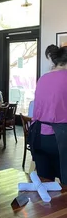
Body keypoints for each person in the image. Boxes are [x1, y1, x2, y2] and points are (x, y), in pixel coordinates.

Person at [29, 45, 67, 183]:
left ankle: (44, 205)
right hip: (61, 138)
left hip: (38, 136)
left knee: (45, 182)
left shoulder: (43, 78)